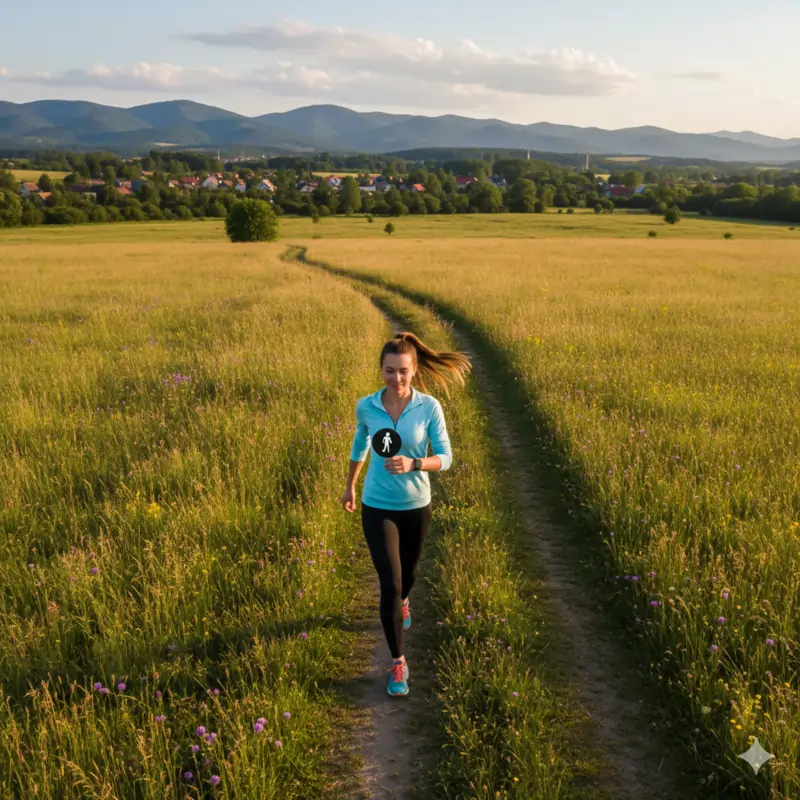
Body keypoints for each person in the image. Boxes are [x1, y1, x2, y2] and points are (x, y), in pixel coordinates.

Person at [341, 331, 471, 696]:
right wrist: (350, 484)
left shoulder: (429, 407)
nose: (396, 379)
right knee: (390, 584)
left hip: (416, 505)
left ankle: (406, 601)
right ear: (380, 370)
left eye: (403, 371)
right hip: (376, 505)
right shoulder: (367, 406)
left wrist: (415, 462)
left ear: (414, 371)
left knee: (410, 574)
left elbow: (446, 457)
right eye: (389, 371)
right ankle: (399, 663)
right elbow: (360, 444)